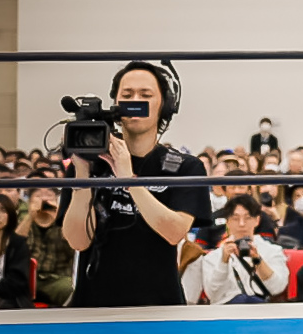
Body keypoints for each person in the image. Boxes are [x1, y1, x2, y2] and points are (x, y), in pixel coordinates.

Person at [58, 61, 212, 308]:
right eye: (127, 95)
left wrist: (128, 178)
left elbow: (174, 233)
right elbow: (78, 241)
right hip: (93, 306)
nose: (135, 101)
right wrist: (83, 173)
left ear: (165, 105)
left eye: (145, 95)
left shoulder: (185, 167)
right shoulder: (89, 165)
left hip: (160, 306)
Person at [181, 194, 290, 305]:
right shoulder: (213, 257)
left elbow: (278, 288)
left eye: (247, 218)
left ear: (257, 220)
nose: (241, 224)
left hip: (260, 309)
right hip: (226, 310)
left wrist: (258, 261)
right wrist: (223, 261)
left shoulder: (273, 250)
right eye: (235, 218)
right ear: (227, 222)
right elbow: (213, 294)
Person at [17, 186, 74, 305]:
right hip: (26, 278)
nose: (44, 200)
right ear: (29, 202)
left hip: (55, 279)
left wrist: (59, 218)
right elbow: (14, 245)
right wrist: (30, 216)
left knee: (70, 289)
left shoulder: (63, 223)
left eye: (49, 196)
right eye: (38, 196)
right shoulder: (22, 221)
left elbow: (73, 248)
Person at [0, 194, 32, 309]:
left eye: (3, 211)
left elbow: (17, 281)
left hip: (9, 298)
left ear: (10, 215)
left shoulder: (18, 244)